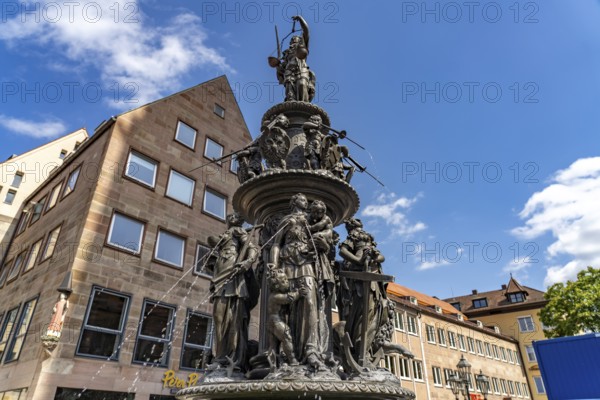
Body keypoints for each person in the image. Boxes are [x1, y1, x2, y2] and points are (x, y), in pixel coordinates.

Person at [269, 193, 326, 370]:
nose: (306, 201)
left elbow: (326, 234)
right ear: (294, 202)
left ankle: (311, 350)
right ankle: (284, 352)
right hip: (286, 265)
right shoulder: (287, 220)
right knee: (285, 307)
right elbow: (276, 243)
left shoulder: (313, 221)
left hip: (306, 265)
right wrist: (273, 265)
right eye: (302, 199)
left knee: (309, 302)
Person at [206, 212, 259, 372]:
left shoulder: (238, 231)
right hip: (220, 280)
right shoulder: (224, 238)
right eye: (230, 217)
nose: (231, 217)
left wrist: (248, 262)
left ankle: (232, 358)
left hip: (234, 279)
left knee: (233, 319)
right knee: (218, 318)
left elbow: (252, 248)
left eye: (235, 216)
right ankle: (219, 357)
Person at [266, 266, 308, 366]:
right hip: (275, 321)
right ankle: (292, 360)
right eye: (283, 281)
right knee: (286, 336)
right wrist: (298, 293)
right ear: (276, 286)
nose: (287, 282)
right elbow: (288, 298)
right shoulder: (275, 296)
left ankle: (276, 362)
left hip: (273, 321)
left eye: (286, 279)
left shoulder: (275, 295)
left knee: (274, 345)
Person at [272, 16, 315, 102]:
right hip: (289, 72)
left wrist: (300, 18)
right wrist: (277, 64)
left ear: (300, 41)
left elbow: (306, 31)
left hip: (301, 69)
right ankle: (292, 107)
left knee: (302, 85)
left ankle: (303, 107)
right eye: (291, 40)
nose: (293, 40)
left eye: (295, 39)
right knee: (290, 95)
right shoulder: (287, 54)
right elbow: (281, 69)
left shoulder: (302, 48)